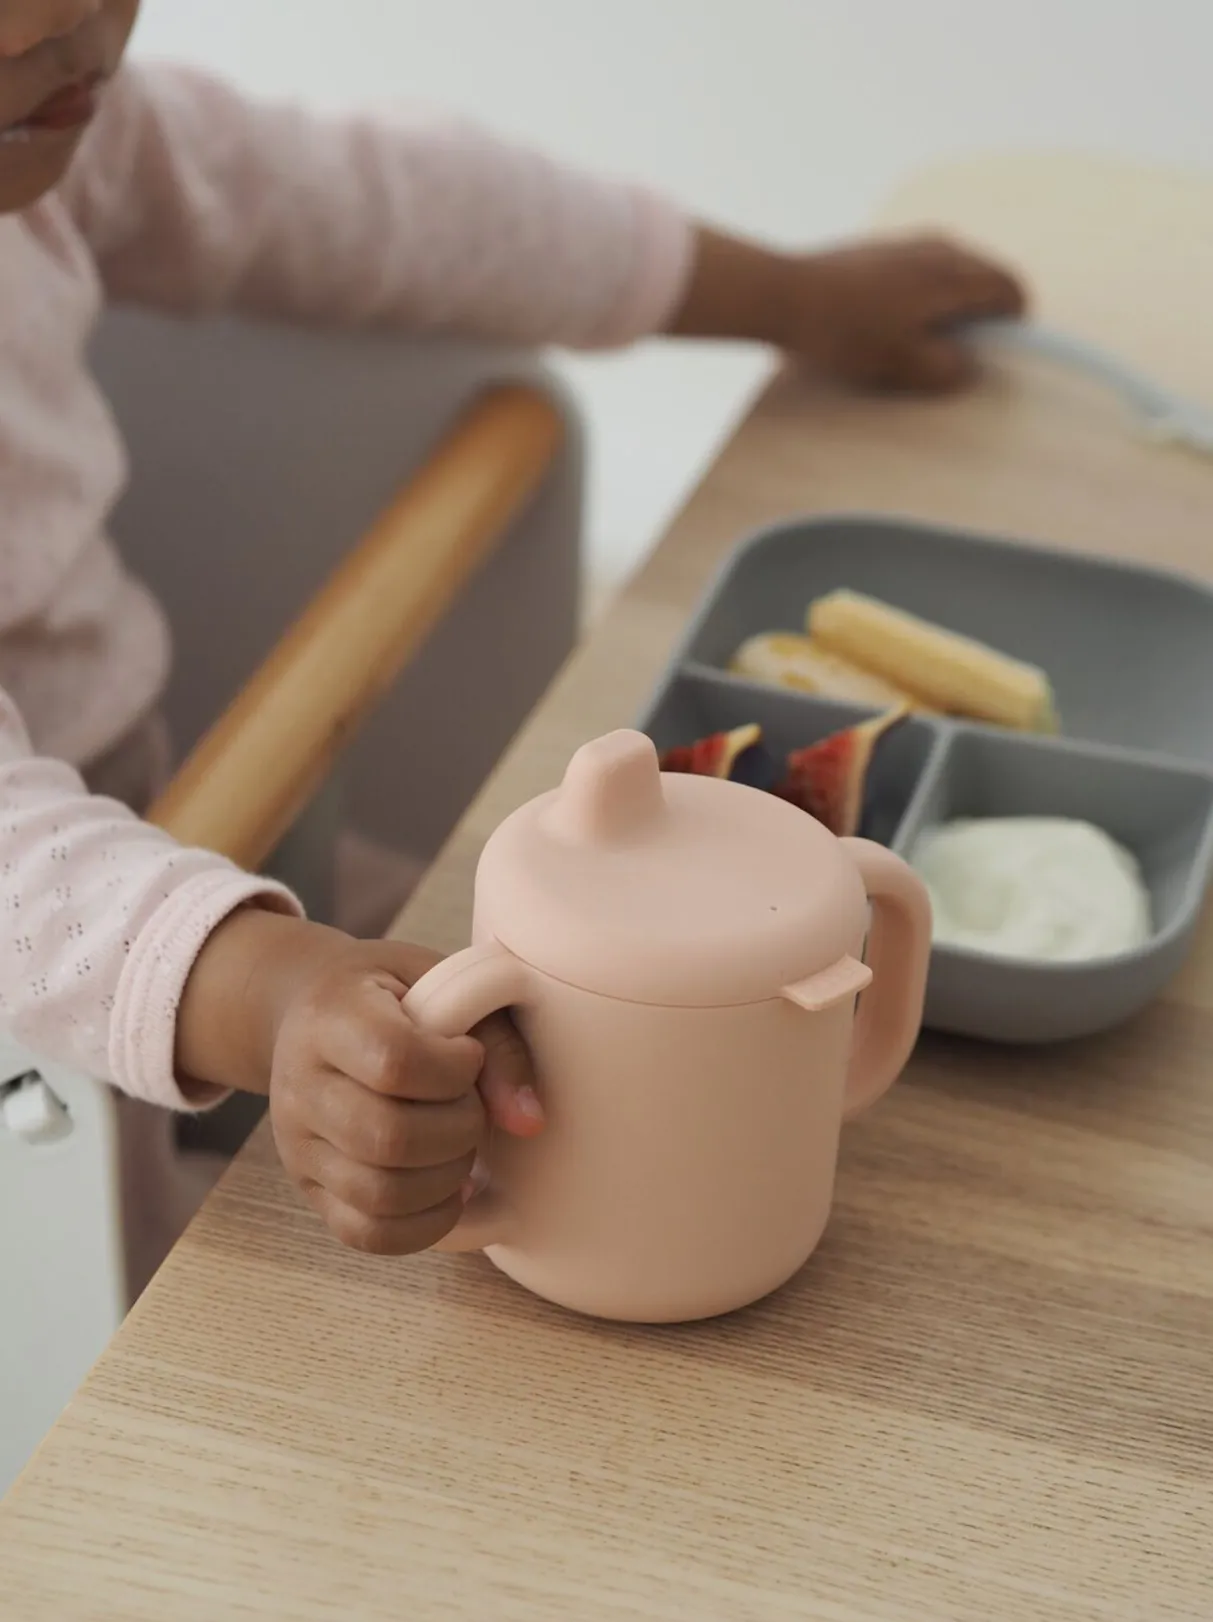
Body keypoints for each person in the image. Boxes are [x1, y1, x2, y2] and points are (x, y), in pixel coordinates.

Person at [0, 0, 1026, 1263]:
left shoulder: (68, 137)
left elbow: (372, 200)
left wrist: (789, 294)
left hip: (180, 843)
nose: (64, 23)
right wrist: (270, 991)